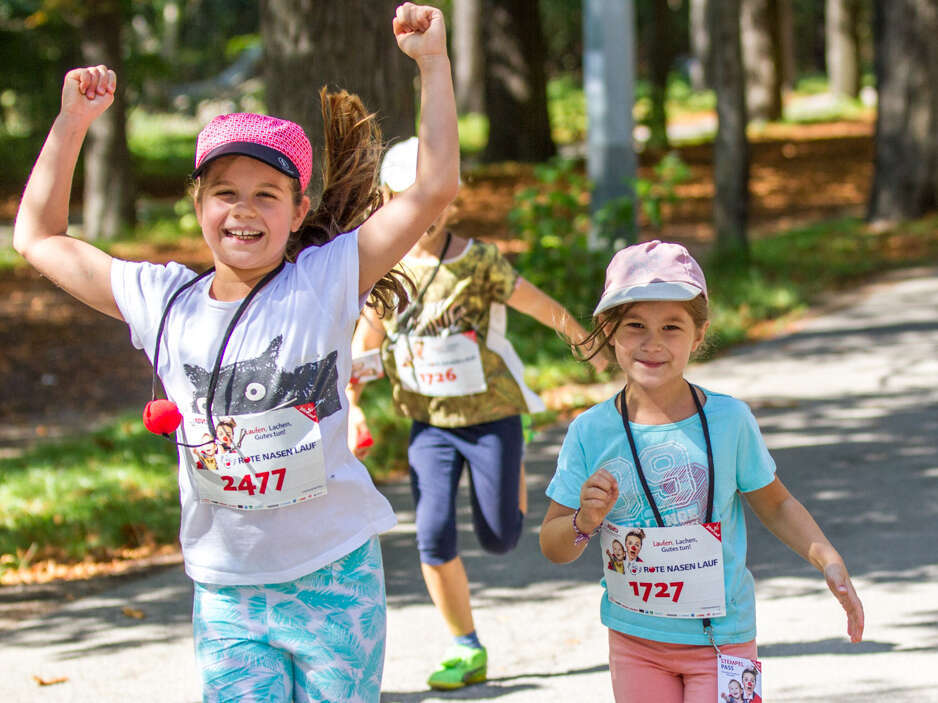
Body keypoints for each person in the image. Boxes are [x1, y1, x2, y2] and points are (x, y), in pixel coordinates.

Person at [12, 4, 458, 701]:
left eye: (265, 194)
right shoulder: (163, 300)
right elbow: (37, 238)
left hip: (334, 577)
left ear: (298, 207)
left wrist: (432, 64)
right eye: (225, 192)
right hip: (228, 591)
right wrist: (71, 124)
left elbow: (433, 188)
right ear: (197, 203)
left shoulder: (327, 278)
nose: (243, 210)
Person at [538, 240, 864, 701]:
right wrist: (583, 523)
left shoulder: (729, 420)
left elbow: (777, 504)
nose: (652, 343)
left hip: (723, 638)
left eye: (672, 326)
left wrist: (828, 559)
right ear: (609, 331)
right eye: (635, 326)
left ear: (698, 334)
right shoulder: (589, 432)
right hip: (635, 641)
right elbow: (553, 544)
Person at [346, 136, 611, 690]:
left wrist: (588, 342)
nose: (425, 215)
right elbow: (363, 347)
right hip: (429, 426)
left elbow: (538, 303)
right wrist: (353, 409)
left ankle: (510, 469)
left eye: (435, 201)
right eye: (409, 201)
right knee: (433, 536)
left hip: (491, 418)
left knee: (498, 539)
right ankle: (465, 645)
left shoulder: (478, 260)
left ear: (451, 199)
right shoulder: (382, 270)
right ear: (389, 202)